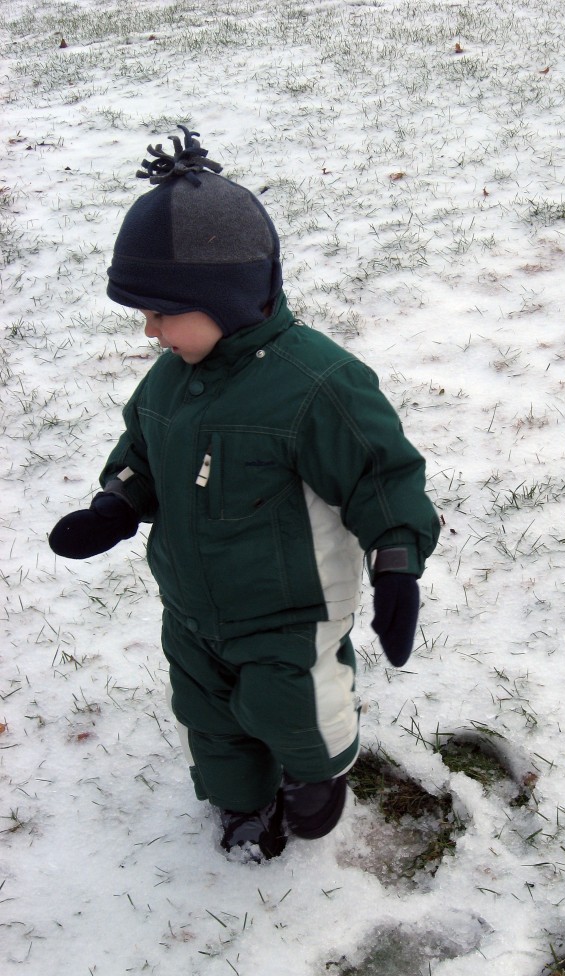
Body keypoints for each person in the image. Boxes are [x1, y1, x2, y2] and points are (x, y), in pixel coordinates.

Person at [49, 127, 440, 862]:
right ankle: (239, 799)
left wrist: (396, 566)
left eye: (163, 312)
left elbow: (382, 477)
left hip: (287, 617)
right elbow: (144, 448)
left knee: (295, 710)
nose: (150, 329)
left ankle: (314, 777)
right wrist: (118, 505)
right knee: (208, 717)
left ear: (223, 299)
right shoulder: (169, 380)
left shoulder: (315, 386)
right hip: (192, 607)